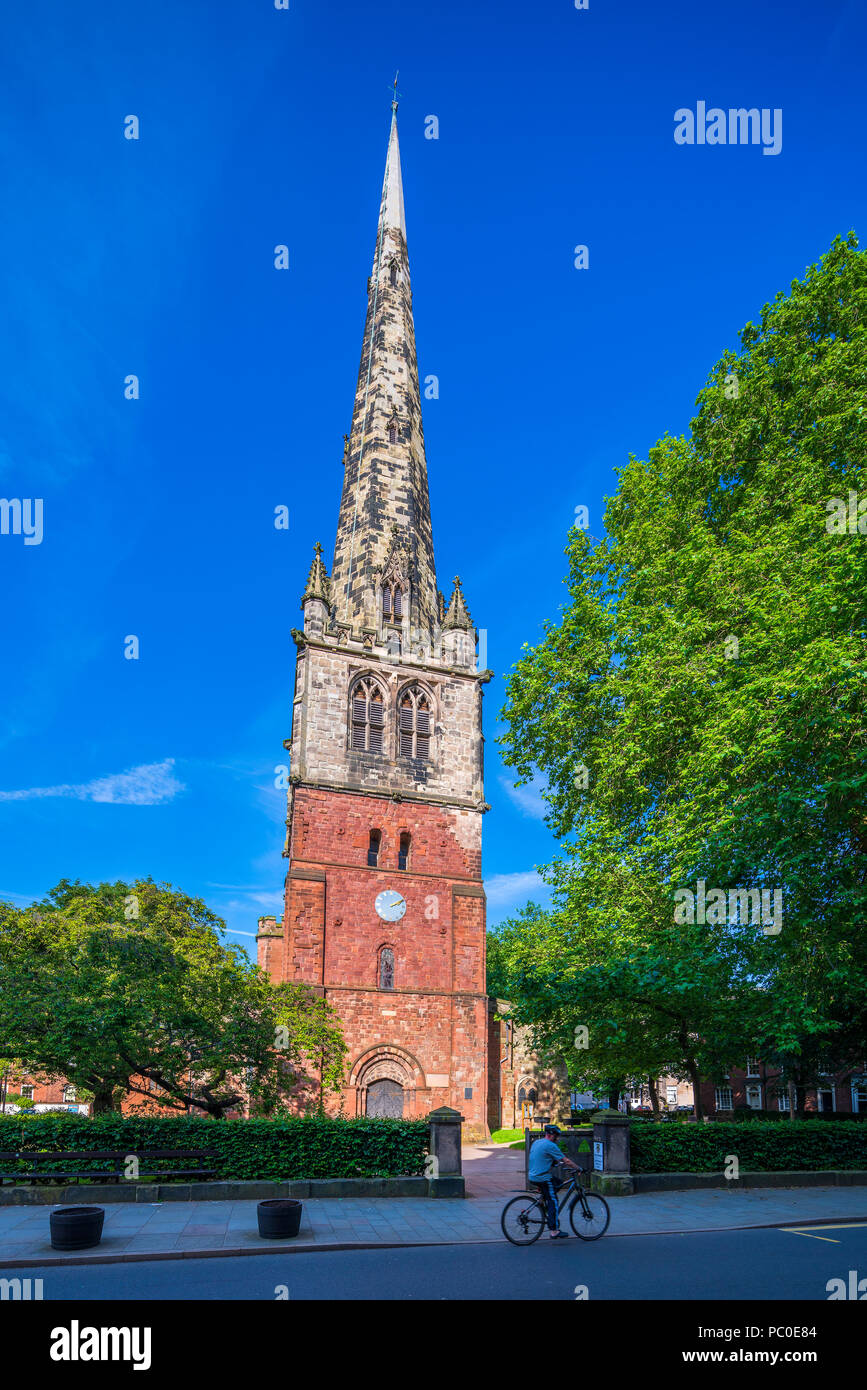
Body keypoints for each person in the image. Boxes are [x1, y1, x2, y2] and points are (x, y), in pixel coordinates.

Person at [527, 1123, 579, 1239]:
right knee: (554, 1200)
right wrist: (578, 1168)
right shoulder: (550, 1145)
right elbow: (567, 1161)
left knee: (558, 1183)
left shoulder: (537, 1142)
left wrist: (554, 1162)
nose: (557, 1138)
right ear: (551, 1135)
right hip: (542, 1177)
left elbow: (542, 1157)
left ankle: (542, 1200)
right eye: (556, 1136)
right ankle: (554, 1231)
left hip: (532, 1175)